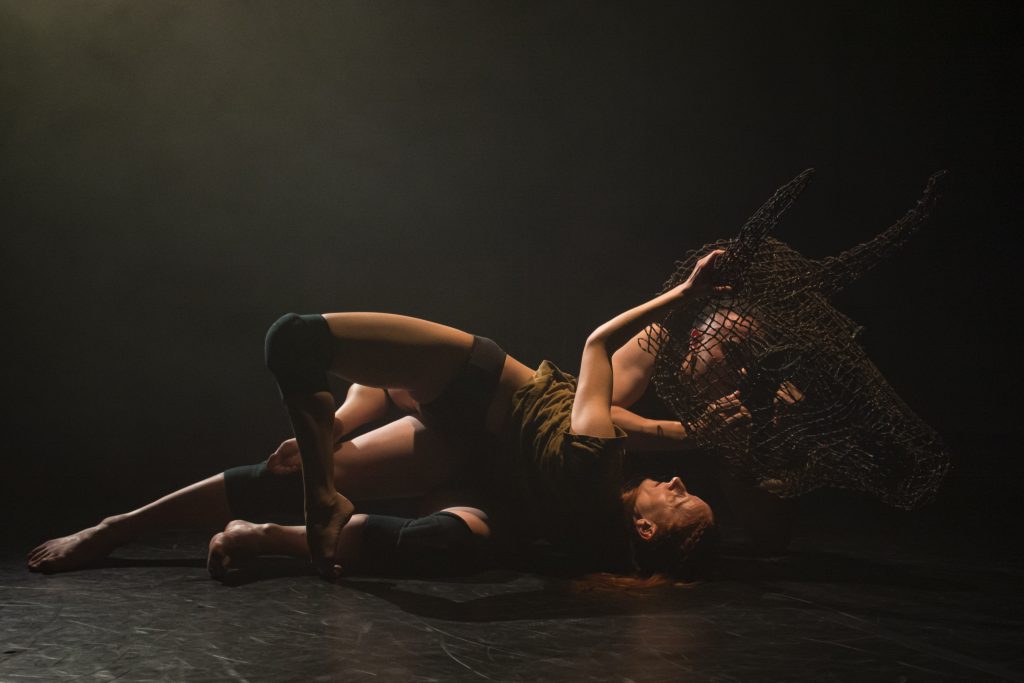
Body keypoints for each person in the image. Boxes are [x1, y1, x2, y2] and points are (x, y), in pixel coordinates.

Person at [29, 251, 732, 581]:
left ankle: (275, 529)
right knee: (300, 367)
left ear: (645, 529)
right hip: (468, 395)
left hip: (475, 465)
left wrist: (689, 303)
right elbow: (635, 385)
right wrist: (708, 402)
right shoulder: (607, 468)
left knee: (441, 543)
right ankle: (117, 527)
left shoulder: (599, 494)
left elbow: (609, 353)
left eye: (679, 499)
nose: (677, 483)